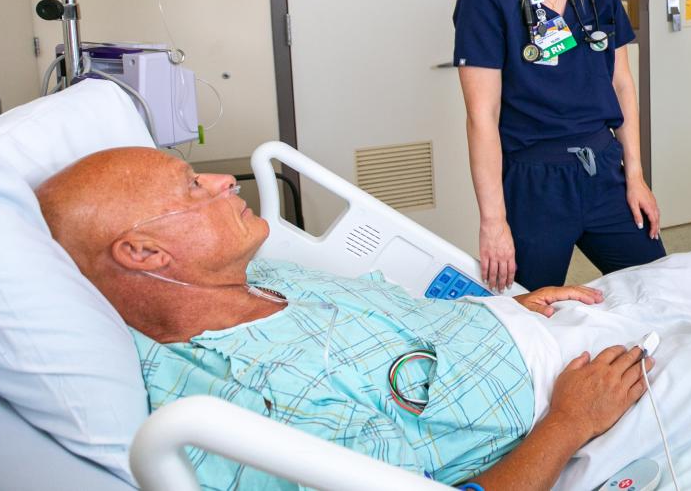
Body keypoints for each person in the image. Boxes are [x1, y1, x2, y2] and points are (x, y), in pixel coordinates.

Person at [37, 147, 648, 490]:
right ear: (142, 253)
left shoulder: (262, 277)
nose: (223, 179)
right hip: (576, 396)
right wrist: (569, 423)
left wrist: (502, 306)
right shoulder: (237, 405)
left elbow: (395, 324)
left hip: (544, 327)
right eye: (193, 185)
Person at [453, 0, 665, 293]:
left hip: (603, 168)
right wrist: (493, 222)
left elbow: (622, 85)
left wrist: (636, 176)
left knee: (657, 285)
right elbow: (482, 117)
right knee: (529, 310)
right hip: (535, 182)